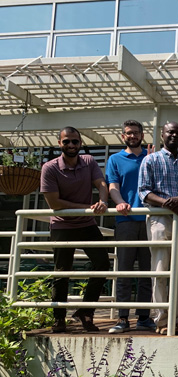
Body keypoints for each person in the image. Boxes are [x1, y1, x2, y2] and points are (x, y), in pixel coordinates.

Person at [40, 126, 110, 333]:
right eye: (66, 141)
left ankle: (86, 312)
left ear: (80, 143)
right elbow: (54, 203)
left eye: (75, 142)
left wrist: (103, 201)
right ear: (59, 143)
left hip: (87, 224)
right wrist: (88, 208)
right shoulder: (49, 168)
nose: (71, 145)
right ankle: (59, 319)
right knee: (62, 271)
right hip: (62, 224)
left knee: (103, 264)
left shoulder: (88, 161)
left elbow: (102, 183)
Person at [138, 121, 178, 335]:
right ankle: (162, 319)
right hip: (159, 219)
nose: (174, 135)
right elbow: (144, 192)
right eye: (170, 132)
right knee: (160, 271)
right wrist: (166, 203)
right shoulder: (150, 160)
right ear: (162, 135)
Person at [105, 120, 155, 334]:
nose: (132, 136)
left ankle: (144, 316)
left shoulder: (151, 156)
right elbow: (113, 186)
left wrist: (154, 158)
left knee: (147, 272)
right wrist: (119, 202)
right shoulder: (115, 159)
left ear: (142, 135)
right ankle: (123, 318)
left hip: (149, 221)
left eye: (136, 133)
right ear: (122, 136)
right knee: (124, 271)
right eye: (128, 133)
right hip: (125, 221)